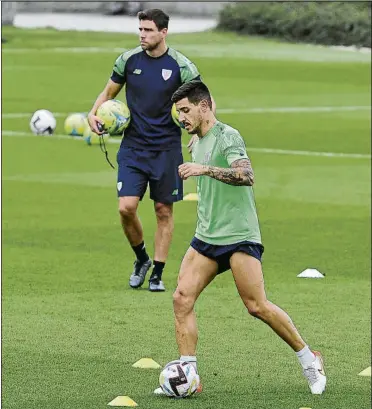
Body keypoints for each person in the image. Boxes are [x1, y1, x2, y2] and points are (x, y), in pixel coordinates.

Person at [154, 80, 326, 395]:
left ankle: (309, 358)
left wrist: (203, 169)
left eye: (185, 110)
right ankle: (189, 376)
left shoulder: (228, 136)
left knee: (256, 305)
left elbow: (246, 176)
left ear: (204, 106)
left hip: (239, 236)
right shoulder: (197, 139)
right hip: (207, 235)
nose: (181, 118)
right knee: (181, 298)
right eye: (178, 112)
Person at [88, 9, 212, 292]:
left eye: (148, 30)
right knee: (126, 207)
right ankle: (141, 258)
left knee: (162, 210)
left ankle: (157, 271)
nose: (142, 35)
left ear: (163, 32)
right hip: (133, 147)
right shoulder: (129, 60)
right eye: (140, 29)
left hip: (167, 149)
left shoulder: (181, 66)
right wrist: (92, 113)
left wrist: (200, 133)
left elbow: (205, 101)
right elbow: (108, 93)